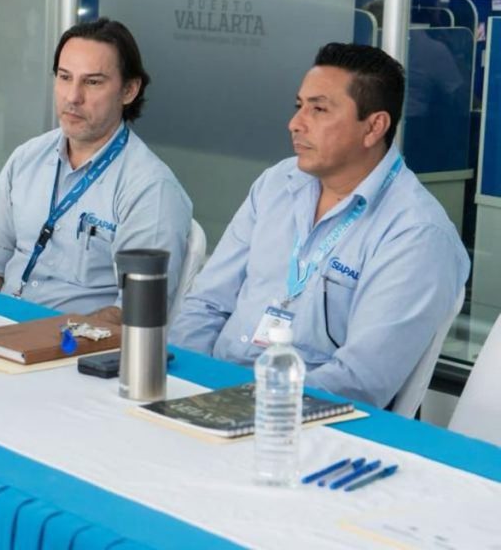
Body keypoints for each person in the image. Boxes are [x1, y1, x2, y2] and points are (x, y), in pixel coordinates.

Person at [170, 43, 469, 409]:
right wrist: (185, 383)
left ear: (374, 127)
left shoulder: (416, 233)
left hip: (296, 418)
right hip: (205, 392)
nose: (295, 123)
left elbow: (360, 381)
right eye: (299, 106)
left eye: (319, 109)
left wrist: (239, 404)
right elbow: (206, 303)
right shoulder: (278, 183)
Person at [0, 18, 191, 323]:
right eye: (64, 77)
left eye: (93, 82)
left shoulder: (151, 187)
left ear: (129, 90)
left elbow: (137, 309)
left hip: (74, 344)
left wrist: (48, 338)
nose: (72, 97)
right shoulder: (26, 159)